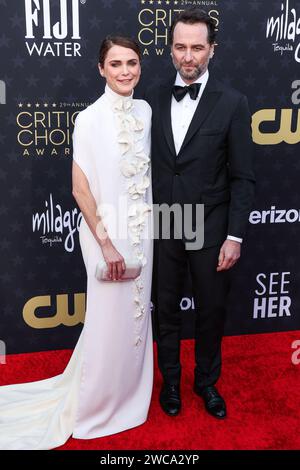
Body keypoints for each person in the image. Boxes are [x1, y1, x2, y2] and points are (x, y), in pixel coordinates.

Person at [0, 36, 153, 449]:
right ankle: (97, 404)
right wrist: (106, 243)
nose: (125, 71)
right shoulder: (88, 118)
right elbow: (80, 190)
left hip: (142, 231)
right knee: (107, 317)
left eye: (132, 63)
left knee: (135, 317)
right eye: (116, 63)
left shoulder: (146, 111)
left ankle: (127, 396)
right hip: (105, 234)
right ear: (100, 69)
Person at [145, 9, 255, 419]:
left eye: (196, 47)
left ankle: (206, 382)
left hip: (210, 227)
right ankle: (169, 381)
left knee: (210, 311)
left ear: (212, 49)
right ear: (170, 48)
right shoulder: (150, 100)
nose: (187, 56)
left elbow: (243, 177)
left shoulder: (233, 102)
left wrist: (235, 235)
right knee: (166, 309)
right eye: (180, 47)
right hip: (164, 224)